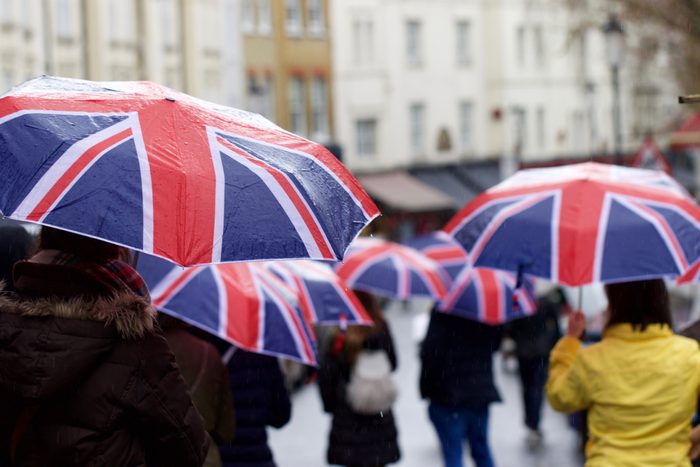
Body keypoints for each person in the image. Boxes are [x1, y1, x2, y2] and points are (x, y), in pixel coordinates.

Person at [0, 227, 209, 467]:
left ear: (44, 237)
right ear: (114, 248)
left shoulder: (8, 330)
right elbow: (190, 449)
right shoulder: (135, 343)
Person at [547, 279, 700, 466]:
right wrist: (692, 439)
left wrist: (570, 342)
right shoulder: (689, 354)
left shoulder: (593, 358)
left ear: (613, 303)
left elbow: (560, 397)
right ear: (662, 301)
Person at [317, 290, 401, 467]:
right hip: (378, 413)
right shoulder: (381, 327)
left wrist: (331, 405)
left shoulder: (340, 335)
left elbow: (326, 375)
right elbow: (393, 363)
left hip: (348, 418)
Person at [419, 309, 503, 467]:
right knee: (481, 449)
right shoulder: (485, 310)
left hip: (448, 395)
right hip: (479, 392)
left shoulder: (442, 312)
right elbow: (495, 344)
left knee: (453, 453)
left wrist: (426, 389)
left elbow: (430, 354)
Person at [160, 314, 236, 467]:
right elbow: (226, 431)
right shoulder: (209, 353)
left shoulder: (140, 352)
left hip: (159, 456)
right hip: (204, 457)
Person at [505, 287, 569, 448]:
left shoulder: (518, 303)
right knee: (536, 388)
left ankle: (530, 420)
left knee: (527, 388)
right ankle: (534, 422)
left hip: (524, 351)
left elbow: (510, 329)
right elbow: (556, 329)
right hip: (541, 351)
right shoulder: (546, 302)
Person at [219, 348, 292, 467]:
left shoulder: (206, 350)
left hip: (221, 458)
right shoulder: (264, 355)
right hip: (257, 457)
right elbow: (281, 416)